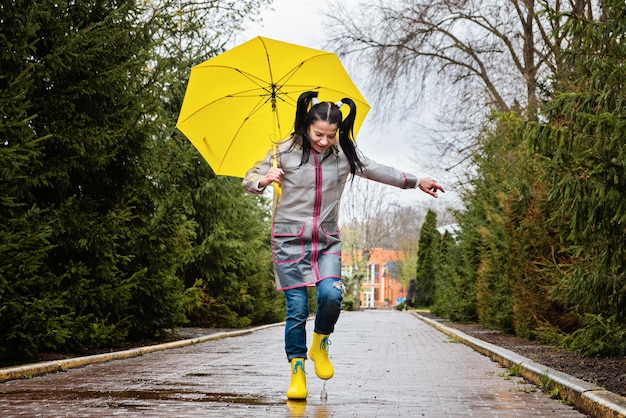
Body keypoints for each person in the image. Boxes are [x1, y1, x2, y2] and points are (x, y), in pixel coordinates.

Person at [242, 91, 444, 400]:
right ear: (306, 125)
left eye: (331, 135)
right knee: (296, 310)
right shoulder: (282, 151)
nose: (324, 141)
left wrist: (416, 181)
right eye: (318, 134)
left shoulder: (343, 156)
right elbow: (250, 178)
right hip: (288, 241)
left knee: (331, 296)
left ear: (339, 132)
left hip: (326, 241)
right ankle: (297, 371)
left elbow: (378, 169)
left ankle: (321, 342)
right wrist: (265, 178)